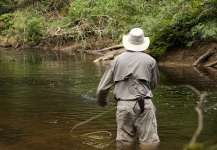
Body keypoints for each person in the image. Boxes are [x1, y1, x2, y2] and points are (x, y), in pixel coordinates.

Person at [96, 28, 160, 147]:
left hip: (123, 106)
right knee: (149, 142)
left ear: (128, 42)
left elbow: (102, 88)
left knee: (124, 142)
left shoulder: (116, 61)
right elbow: (154, 84)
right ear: (142, 44)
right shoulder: (151, 61)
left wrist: (102, 102)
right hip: (144, 105)